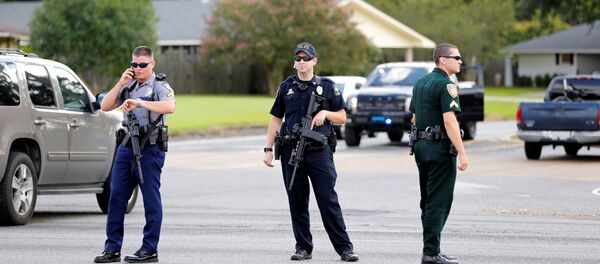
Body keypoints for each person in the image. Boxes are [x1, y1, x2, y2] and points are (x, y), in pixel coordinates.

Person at [262, 42, 359, 262]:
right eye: (298, 59)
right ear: (294, 62)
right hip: (291, 151)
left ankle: (344, 248)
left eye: (306, 58)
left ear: (314, 61)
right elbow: (276, 118)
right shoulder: (287, 87)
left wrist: (326, 112)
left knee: (328, 201)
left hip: (319, 152)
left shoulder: (327, 86)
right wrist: (268, 149)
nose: (302, 62)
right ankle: (303, 247)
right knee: (297, 201)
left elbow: (343, 116)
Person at [94, 46, 175, 263]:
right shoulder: (128, 85)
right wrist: (121, 82)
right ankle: (112, 249)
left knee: (150, 199)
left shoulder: (159, 85)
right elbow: (105, 105)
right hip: (127, 146)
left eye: (142, 65)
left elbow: (169, 106)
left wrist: (139, 102)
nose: (137, 69)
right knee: (116, 197)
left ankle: (149, 249)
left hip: (150, 147)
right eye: (134, 64)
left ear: (152, 64)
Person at [409, 43, 468, 264]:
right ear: (443, 60)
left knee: (427, 199)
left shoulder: (421, 83)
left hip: (421, 147)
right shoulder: (447, 85)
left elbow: (414, 117)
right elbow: (449, 120)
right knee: (439, 201)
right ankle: (431, 253)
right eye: (457, 57)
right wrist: (463, 153)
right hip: (440, 149)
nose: (460, 61)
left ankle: (432, 249)